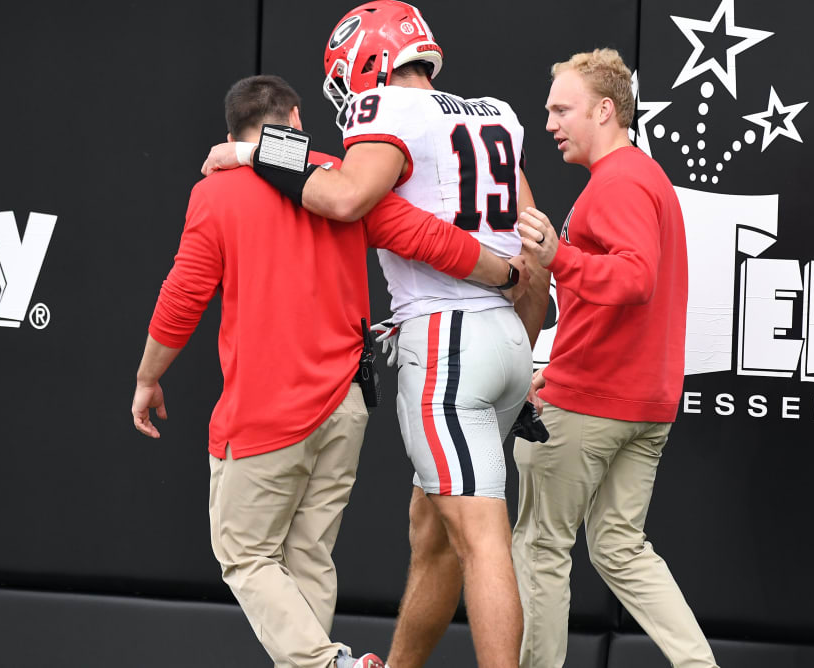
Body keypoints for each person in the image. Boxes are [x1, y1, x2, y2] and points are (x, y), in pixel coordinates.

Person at [132, 74, 527, 668]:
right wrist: (505, 274)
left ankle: (329, 665)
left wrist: (147, 377)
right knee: (308, 557)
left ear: (232, 132)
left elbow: (183, 295)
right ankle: (326, 661)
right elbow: (425, 237)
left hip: (266, 410)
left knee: (244, 555)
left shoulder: (219, 193)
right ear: (295, 118)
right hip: (344, 406)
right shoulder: (334, 174)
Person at [512, 49, 720, 668]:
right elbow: (621, 300)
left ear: (605, 110)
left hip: (591, 404)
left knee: (541, 546)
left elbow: (634, 280)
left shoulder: (621, 181)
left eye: (561, 109)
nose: (549, 122)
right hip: (642, 402)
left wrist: (556, 257)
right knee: (618, 545)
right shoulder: (642, 178)